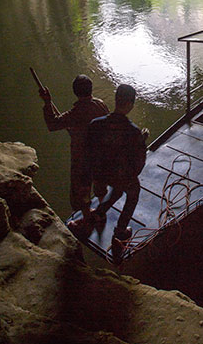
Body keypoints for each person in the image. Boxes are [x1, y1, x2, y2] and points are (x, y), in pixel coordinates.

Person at [39, 74, 109, 227]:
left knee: (81, 190)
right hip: (100, 156)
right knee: (100, 185)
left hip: (83, 159)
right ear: (91, 89)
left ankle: (87, 218)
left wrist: (47, 102)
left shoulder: (76, 113)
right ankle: (101, 212)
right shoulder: (100, 105)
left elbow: (53, 124)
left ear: (75, 92)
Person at [87, 84, 148, 241]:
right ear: (130, 105)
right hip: (120, 175)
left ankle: (99, 212)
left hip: (101, 174)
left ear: (116, 100)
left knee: (117, 189)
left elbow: (90, 150)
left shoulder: (95, 124)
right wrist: (142, 140)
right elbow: (139, 161)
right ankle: (121, 230)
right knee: (133, 192)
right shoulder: (133, 131)